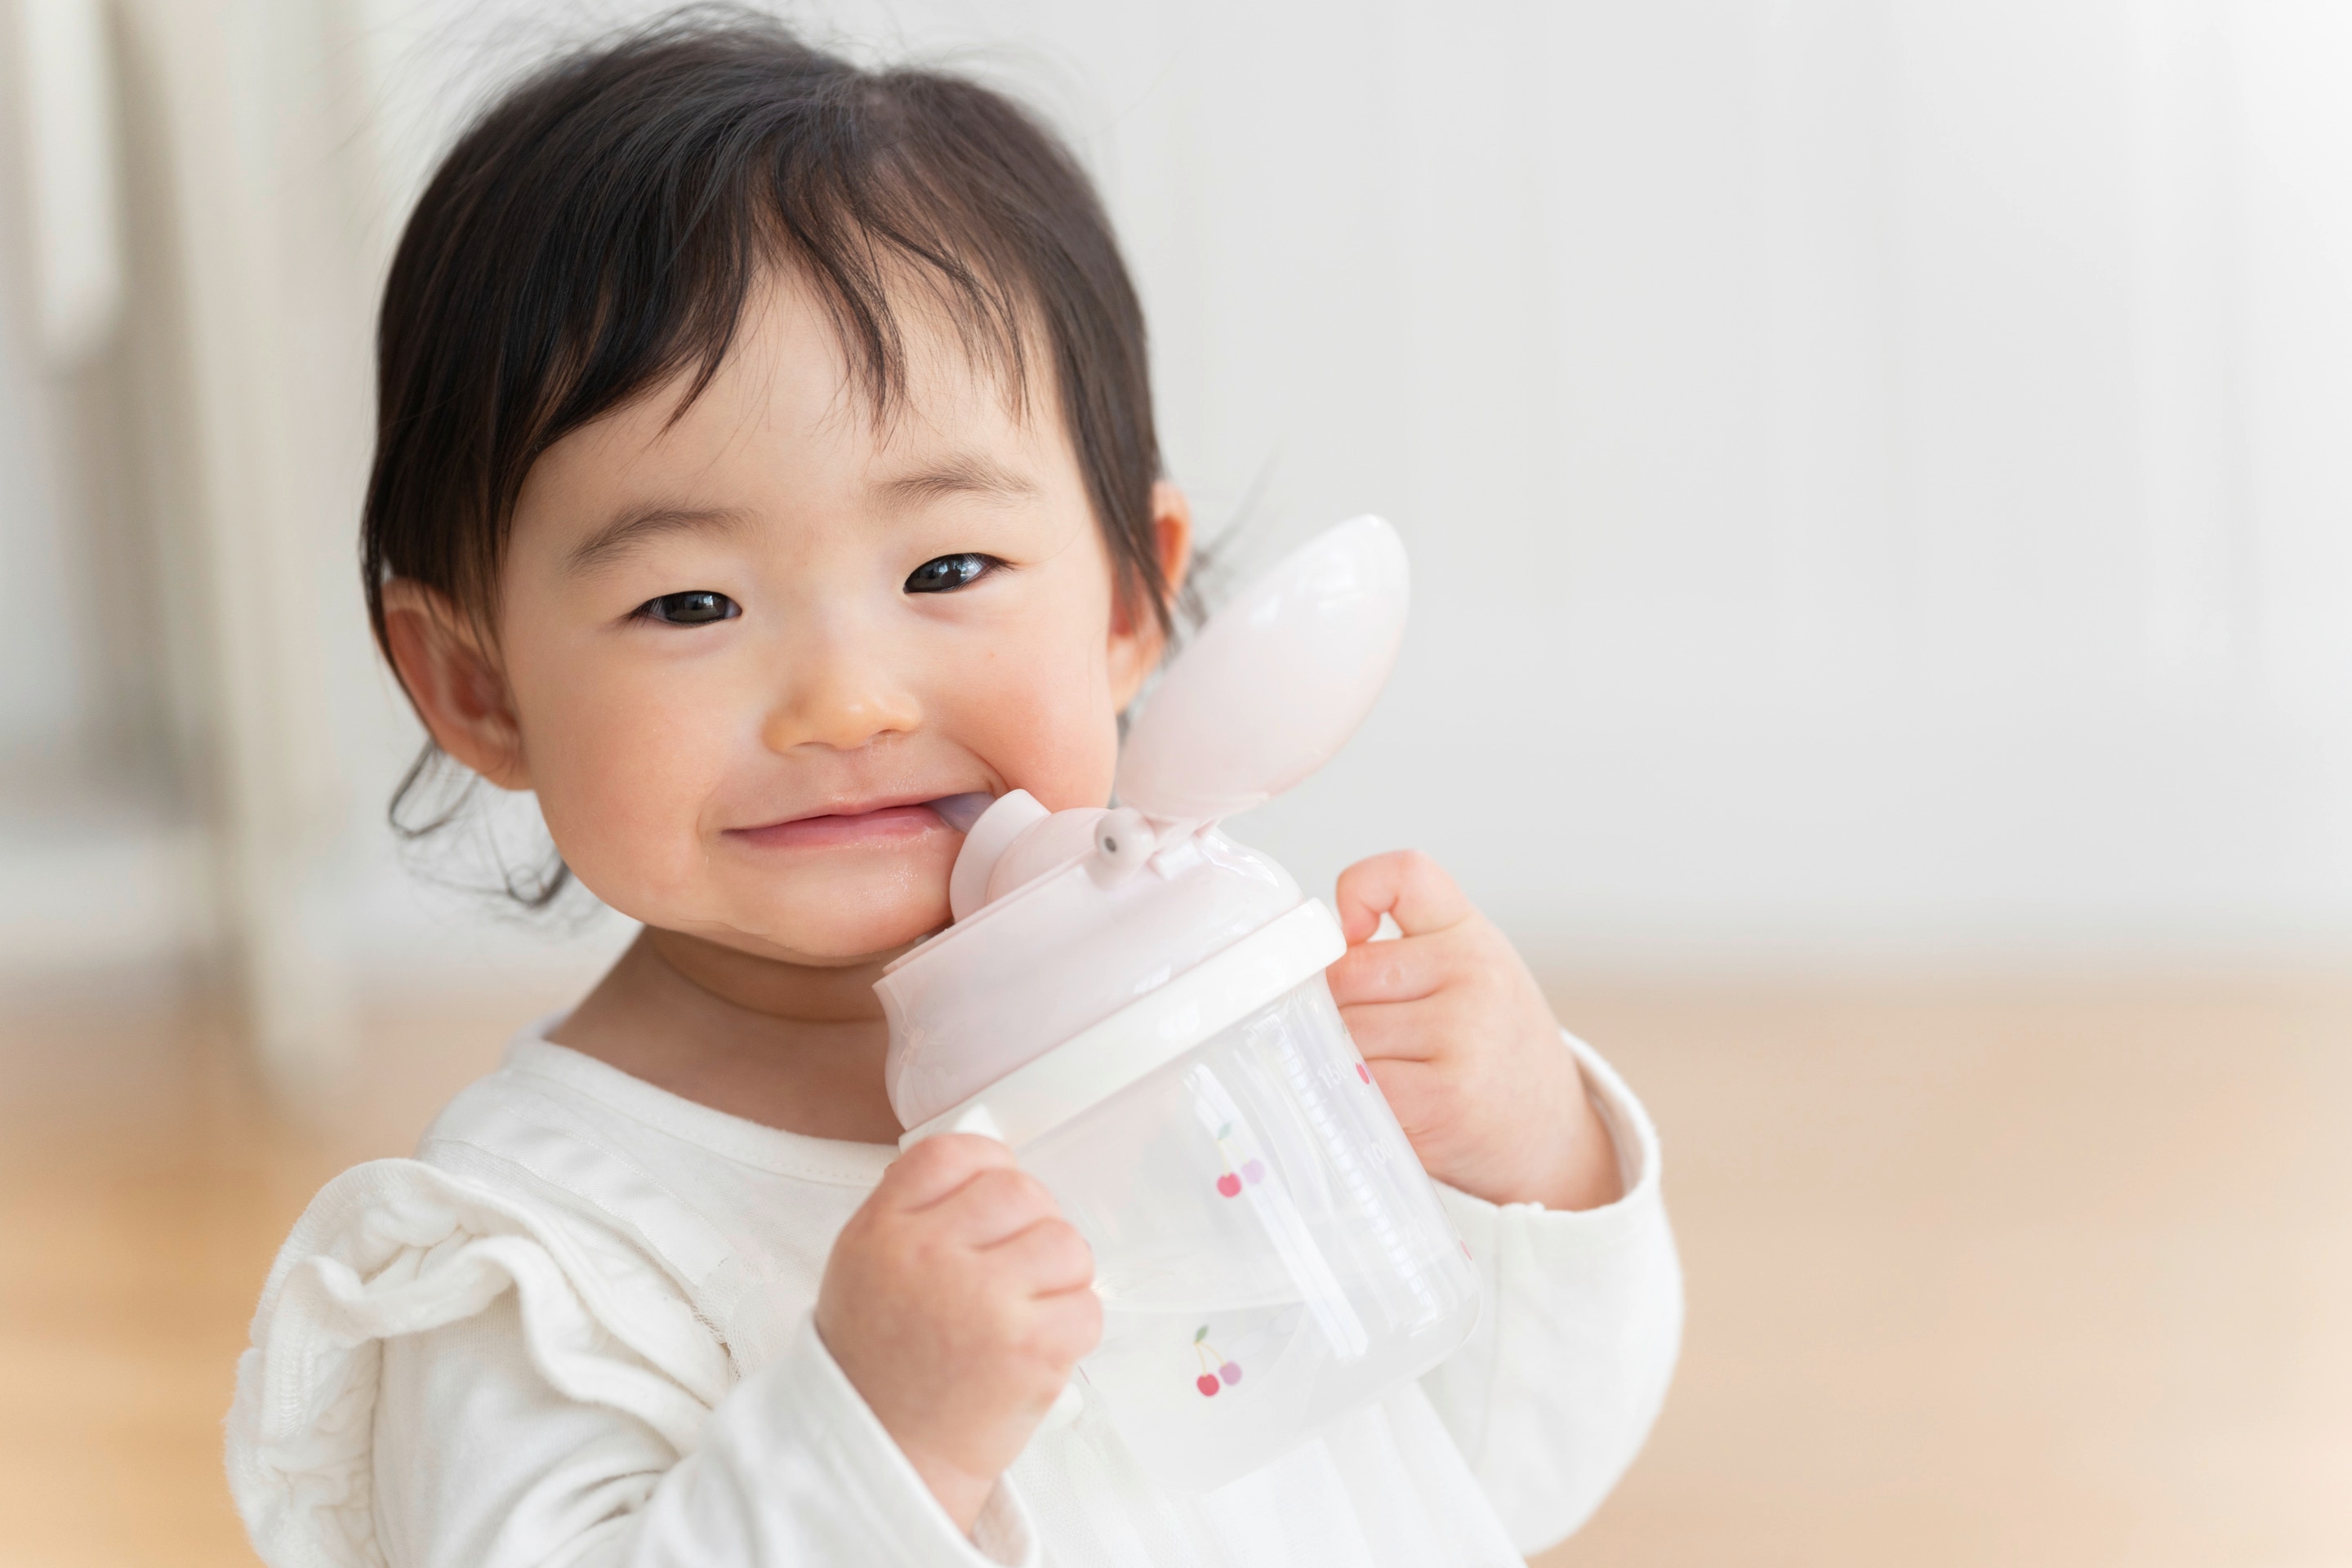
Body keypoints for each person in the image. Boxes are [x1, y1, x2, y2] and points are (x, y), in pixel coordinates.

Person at [225, 16, 1682, 1566]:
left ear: (1132, 602)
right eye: (690, 605)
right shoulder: (540, 1258)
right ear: (478, 687)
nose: (848, 700)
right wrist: (872, 1434)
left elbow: (1488, 1477)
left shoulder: (1214, 1049)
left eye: (948, 568)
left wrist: (1535, 1161)